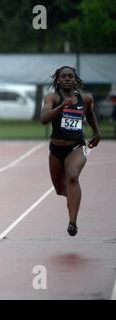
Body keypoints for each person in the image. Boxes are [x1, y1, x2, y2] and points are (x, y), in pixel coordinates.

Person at [41, 66, 101, 237]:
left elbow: (90, 114)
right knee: (61, 189)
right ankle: (74, 199)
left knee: (72, 175)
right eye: (64, 76)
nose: (67, 79)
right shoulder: (52, 97)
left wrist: (97, 132)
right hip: (56, 149)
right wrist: (61, 107)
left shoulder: (86, 99)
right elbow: (43, 119)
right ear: (58, 80)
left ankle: (72, 223)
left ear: (75, 80)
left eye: (70, 76)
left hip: (76, 146)